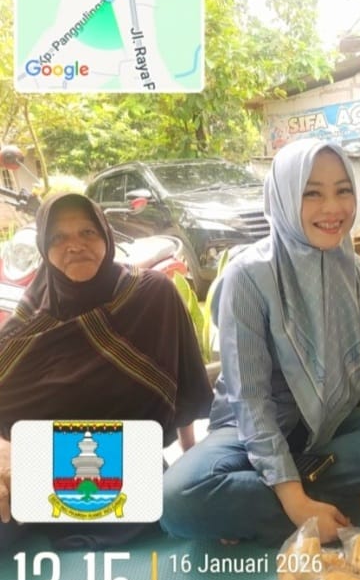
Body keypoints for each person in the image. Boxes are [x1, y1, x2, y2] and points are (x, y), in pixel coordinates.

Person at [161, 138, 360, 547]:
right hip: (247, 434)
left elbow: (351, 376)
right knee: (177, 498)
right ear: (285, 196)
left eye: (343, 191)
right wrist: (295, 502)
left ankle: (248, 507)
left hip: (326, 429)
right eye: (312, 193)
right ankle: (359, 499)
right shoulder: (249, 275)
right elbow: (250, 402)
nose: (333, 208)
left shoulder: (352, 270)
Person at [0, 192, 213, 551]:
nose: (75, 246)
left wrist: (192, 464)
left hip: (126, 468)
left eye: (87, 232)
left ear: (106, 236)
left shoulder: (151, 295)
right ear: (44, 248)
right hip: (31, 466)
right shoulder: (32, 319)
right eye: (58, 237)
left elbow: (187, 387)